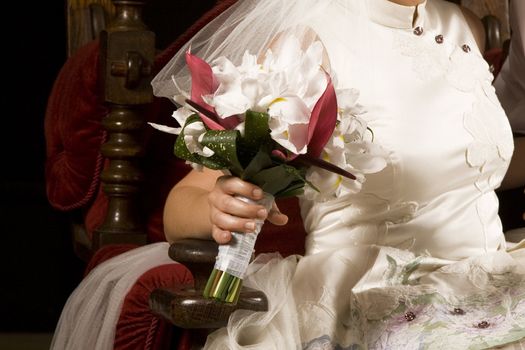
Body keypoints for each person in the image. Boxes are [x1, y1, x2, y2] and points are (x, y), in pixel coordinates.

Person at [52, 0, 525, 349]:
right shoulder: (311, 37)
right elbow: (185, 202)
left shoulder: (460, 25)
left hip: (488, 275)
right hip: (373, 290)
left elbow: (465, 167)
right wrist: (218, 204)